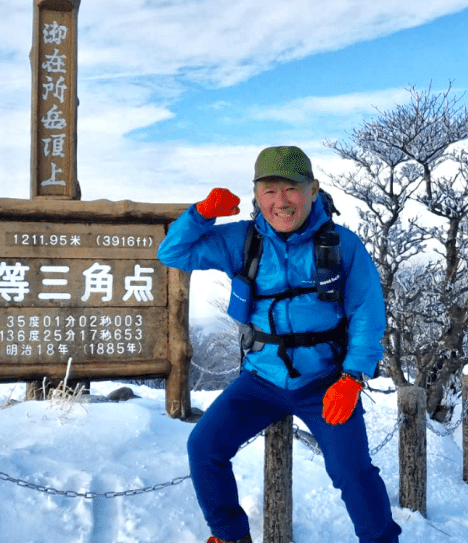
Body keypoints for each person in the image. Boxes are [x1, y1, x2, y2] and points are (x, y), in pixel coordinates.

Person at [158, 146, 401, 543]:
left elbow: (367, 313)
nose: (281, 202)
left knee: (352, 471)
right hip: (260, 380)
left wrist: (353, 376)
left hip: (325, 381)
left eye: (291, 189)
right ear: (256, 195)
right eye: (269, 191)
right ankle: (229, 535)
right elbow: (173, 252)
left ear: (313, 190)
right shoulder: (243, 240)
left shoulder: (342, 245)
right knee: (204, 447)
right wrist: (201, 214)